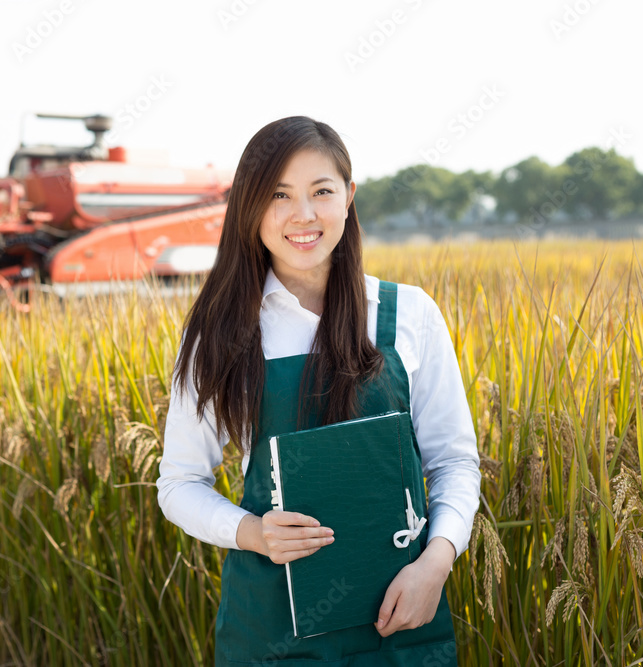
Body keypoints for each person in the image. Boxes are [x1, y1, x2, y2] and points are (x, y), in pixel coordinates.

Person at [156, 116, 481, 665]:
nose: (303, 215)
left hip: (401, 619)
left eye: (321, 192)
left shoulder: (408, 315)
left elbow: (454, 462)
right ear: (249, 207)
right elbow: (179, 484)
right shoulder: (222, 330)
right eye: (279, 195)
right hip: (272, 629)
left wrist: (437, 561)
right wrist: (253, 532)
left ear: (349, 198)